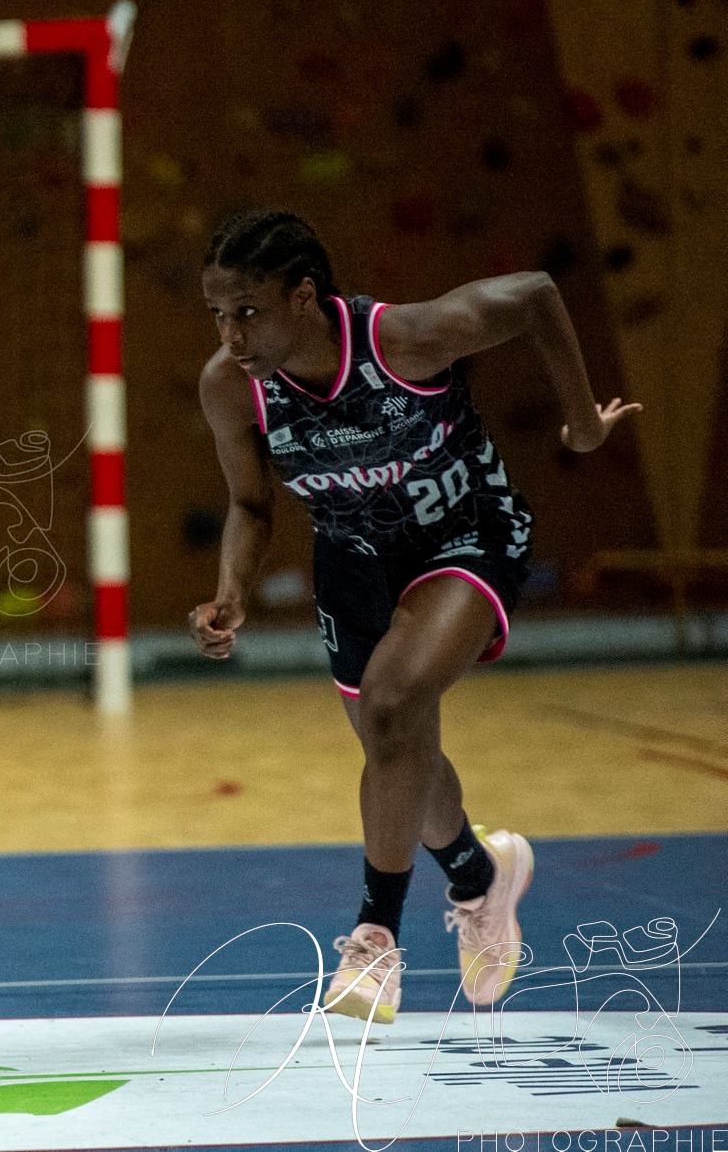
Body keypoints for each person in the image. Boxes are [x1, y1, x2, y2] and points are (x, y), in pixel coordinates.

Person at [189, 210, 640, 1022]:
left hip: (463, 531)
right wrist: (231, 591)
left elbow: (535, 294)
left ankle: (375, 940)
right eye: (217, 315)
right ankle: (478, 878)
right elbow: (249, 504)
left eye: (246, 311)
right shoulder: (230, 384)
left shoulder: (405, 338)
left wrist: (578, 423)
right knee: (394, 746)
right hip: (351, 560)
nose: (231, 333)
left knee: (394, 706)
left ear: (301, 297)